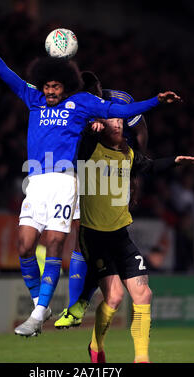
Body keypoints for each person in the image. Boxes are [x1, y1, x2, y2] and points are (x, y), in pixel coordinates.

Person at [0, 28, 181, 338]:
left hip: (63, 180)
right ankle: (40, 305)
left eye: (56, 86)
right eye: (47, 86)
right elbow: (3, 71)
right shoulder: (33, 98)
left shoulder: (82, 103)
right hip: (36, 182)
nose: (50, 92)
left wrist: (156, 101)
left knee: (56, 243)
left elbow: (121, 110)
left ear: (66, 86)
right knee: (24, 246)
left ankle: (36, 315)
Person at [63, 117, 194, 363]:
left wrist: (176, 161)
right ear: (101, 126)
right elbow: (81, 139)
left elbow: (150, 166)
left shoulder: (128, 155)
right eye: (111, 121)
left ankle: (141, 358)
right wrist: (89, 131)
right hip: (94, 237)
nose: (117, 124)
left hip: (120, 237)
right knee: (114, 297)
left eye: (119, 121)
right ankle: (96, 347)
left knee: (144, 294)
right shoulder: (89, 150)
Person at [55, 71, 148, 329]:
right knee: (82, 232)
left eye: (96, 93)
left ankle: (80, 304)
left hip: (115, 167)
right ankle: (77, 305)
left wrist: (135, 176)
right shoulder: (72, 105)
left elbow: (140, 128)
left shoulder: (117, 100)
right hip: (82, 167)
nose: (93, 98)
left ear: (100, 89)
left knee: (103, 232)